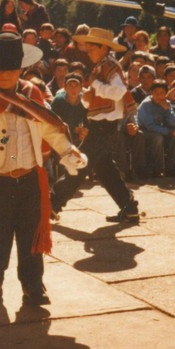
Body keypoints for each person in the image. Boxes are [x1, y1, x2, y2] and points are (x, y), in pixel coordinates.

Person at [0, 31, 86, 308]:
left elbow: (48, 126)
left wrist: (67, 152)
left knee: (31, 236)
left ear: (21, 67)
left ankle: (33, 286)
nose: (5, 75)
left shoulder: (31, 94)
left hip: (30, 177)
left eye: (11, 69)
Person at [50, 27, 140, 222]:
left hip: (104, 125)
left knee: (79, 163)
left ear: (103, 48)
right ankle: (129, 206)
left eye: (92, 49)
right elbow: (91, 101)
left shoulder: (110, 67)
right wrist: (89, 96)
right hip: (100, 124)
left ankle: (52, 203)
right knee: (104, 169)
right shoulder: (100, 67)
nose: (88, 52)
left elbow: (118, 92)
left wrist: (96, 87)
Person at [136, 79, 175, 177]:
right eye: (155, 93)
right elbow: (150, 125)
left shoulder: (167, 103)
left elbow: (174, 123)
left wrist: (167, 110)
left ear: (166, 93)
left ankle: (170, 167)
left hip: (160, 129)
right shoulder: (146, 104)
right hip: (144, 130)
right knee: (157, 137)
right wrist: (169, 132)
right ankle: (157, 168)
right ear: (151, 93)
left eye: (162, 93)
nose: (158, 95)